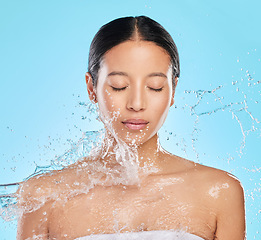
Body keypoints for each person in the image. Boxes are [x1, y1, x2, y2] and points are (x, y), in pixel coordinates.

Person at [16, 16, 245, 240]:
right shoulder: (43, 197)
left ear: (173, 89)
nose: (136, 104)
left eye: (154, 87)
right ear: (91, 87)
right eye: (119, 86)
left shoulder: (220, 193)